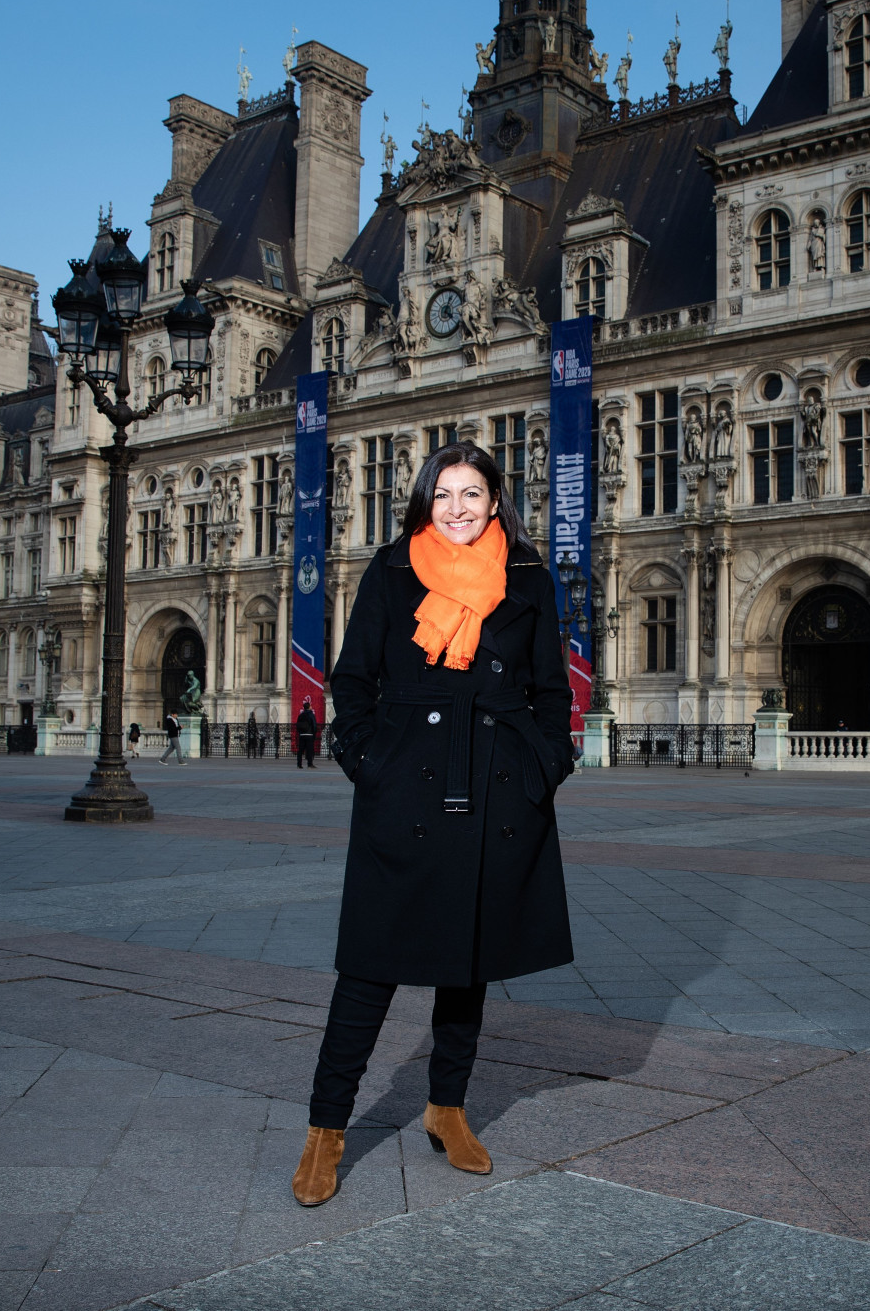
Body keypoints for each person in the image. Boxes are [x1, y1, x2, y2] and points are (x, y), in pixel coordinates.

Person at [292, 441, 576, 1208]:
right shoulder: (389, 571)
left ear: (495, 502)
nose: (458, 507)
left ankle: (446, 1107)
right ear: (424, 502)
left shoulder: (526, 576)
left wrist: (545, 765)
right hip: (404, 791)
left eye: (472, 494)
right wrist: (369, 759)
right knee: (369, 966)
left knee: (467, 963)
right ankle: (326, 1128)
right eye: (444, 493)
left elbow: (552, 689)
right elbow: (351, 681)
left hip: (494, 786)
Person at [295, 698, 320, 770]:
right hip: (309, 735)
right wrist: (314, 734)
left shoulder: (301, 715)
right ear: (309, 707)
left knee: (300, 750)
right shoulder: (311, 714)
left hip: (302, 734)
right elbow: (314, 725)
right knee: (309, 750)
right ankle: (310, 764)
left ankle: (299, 764)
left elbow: (297, 725)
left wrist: (300, 732)